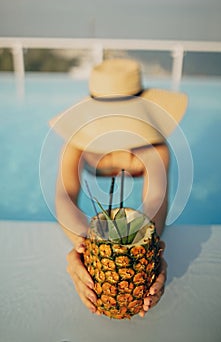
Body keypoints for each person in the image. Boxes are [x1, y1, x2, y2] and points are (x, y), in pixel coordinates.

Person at [49, 58, 188, 317]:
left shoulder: (155, 149)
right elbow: (64, 195)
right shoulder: (76, 146)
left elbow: (156, 199)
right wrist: (85, 245)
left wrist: (146, 248)